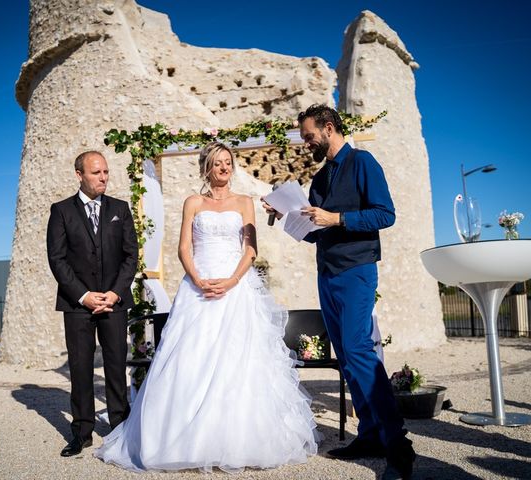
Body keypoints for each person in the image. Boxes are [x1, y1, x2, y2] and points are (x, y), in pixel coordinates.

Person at [95, 141, 320, 472]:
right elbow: (184, 247)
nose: (225, 168)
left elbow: (250, 250)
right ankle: (180, 440)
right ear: (207, 168)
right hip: (198, 289)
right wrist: (198, 279)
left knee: (238, 360)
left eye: (228, 162)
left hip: (235, 288)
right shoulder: (193, 202)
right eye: (218, 163)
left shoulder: (245, 202)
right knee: (189, 359)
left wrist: (230, 282)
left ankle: (238, 441)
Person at [262, 104, 416, 479]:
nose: (306, 142)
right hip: (327, 272)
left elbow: (385, 214)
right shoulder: (319, 178)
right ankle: (370, 434)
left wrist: (339, 218)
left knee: (360, 349)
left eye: (309, 135)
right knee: (346, 355)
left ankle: (399, 444)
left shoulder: (364, 163)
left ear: (329, 128)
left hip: (357, 271)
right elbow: (316, 229)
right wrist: (292, 216)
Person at [47, 150, 138, 457]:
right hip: (77, 306)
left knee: (115, 367)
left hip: (114, 302)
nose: (103, 177)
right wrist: (84, 296)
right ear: (79, 175)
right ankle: (81, 433)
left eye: (106, 172)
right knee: (81, 369)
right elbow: (57, 260)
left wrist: (114, 292)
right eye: (96, 173)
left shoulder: (120, 209)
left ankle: (120, 429)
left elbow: (131, 257)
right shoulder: (60, 211)